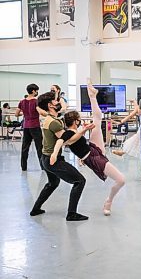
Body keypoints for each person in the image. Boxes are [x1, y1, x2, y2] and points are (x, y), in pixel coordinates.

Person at [50, 82, 125, 216]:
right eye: (78, 119)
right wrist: (54, 154)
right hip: (93, 158)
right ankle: (109, 201)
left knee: (97, 120)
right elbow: (60, 141)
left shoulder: (76, 130)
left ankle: (92, 96)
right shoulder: (68, 133)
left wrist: (84, 132)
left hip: (93, 148)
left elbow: (78, 142)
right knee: (121, 180)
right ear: (76, 121)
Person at [30, 91, 93, 221]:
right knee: (79, 181)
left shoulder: (49, 118)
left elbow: (61, 109)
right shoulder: (54, 122)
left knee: (53, 183)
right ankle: (71, 214)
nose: (58, 102)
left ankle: (35, 209)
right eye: (55, 100)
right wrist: (83, 131)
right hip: (53, 160)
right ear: (50, 105)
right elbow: (66, 140)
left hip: (45, 158)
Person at [15, 83, 43, 171]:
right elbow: (40, 112)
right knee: (39, 147)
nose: (37, 92)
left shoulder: (22, 102)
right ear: (33, 91)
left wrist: (24, 113)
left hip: (26, 126)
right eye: (36, 90)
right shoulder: (36, 101)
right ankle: (43, 166)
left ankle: (24, 167)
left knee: (25, 147)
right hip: (35, 126)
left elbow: (16, 114)